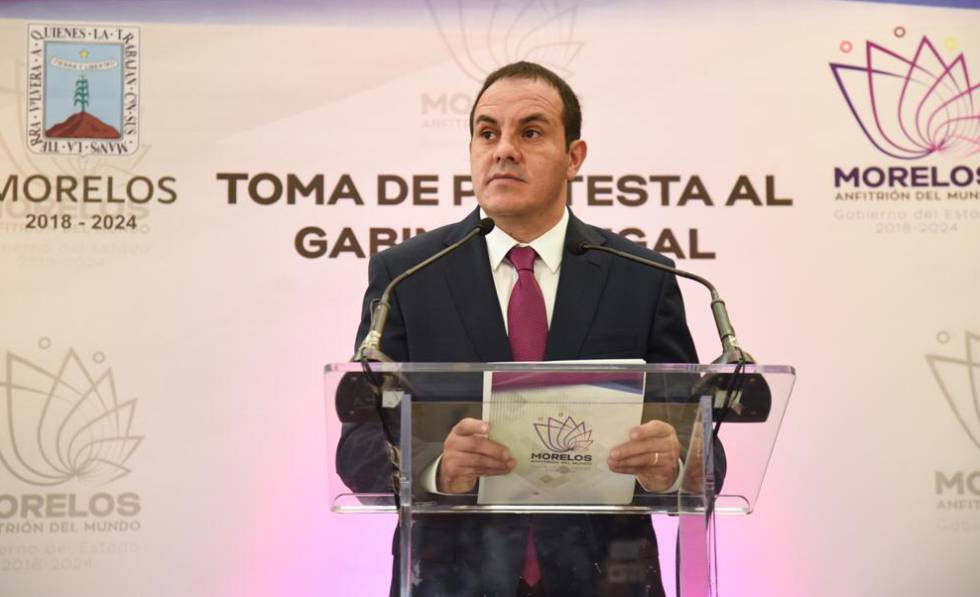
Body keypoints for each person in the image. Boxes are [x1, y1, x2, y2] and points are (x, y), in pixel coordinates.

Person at [337, 61, 707, 597]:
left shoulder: (641, 277)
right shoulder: (407, 276)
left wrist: (673, 465)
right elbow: (358, 444)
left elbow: (702, 442)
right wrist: (438, 469)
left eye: (530, 133)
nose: (504, 150)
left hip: (605, 580)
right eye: (487, 133)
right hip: (449, 581)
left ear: (574, 157)